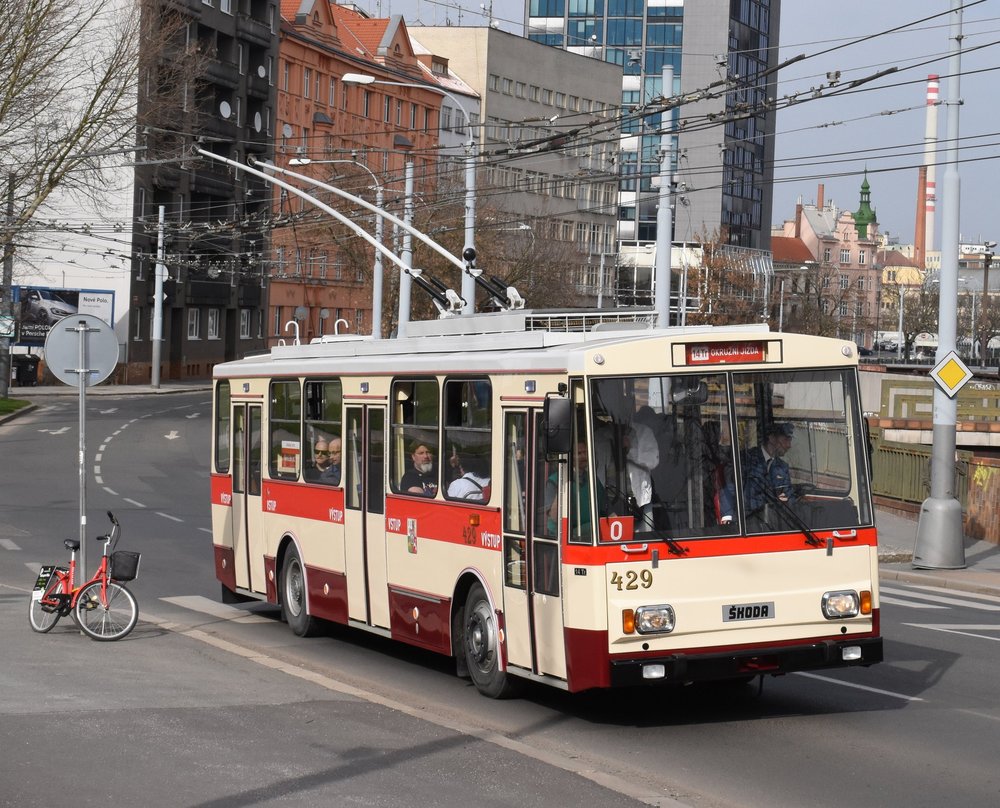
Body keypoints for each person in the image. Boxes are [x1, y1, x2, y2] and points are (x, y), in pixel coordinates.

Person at [719, 423, 796, 525]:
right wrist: (727, 516)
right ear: (772, 438)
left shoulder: (782, 467)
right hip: (746, 523)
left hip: (774, 524)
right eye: (786, 440)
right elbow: (728, 489)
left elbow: (789, 496)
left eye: (790, 440)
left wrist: (785, 502)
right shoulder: (745, 459)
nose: (789, 445)